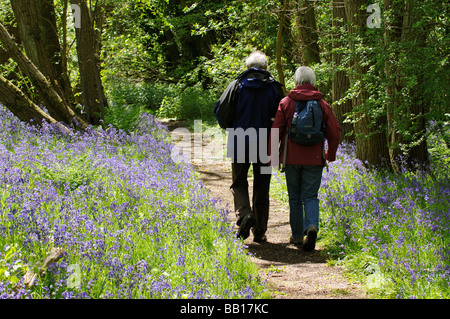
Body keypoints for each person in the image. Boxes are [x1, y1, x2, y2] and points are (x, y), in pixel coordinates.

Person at [214, 51, 284, 242]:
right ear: (266, 68)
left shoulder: (236, 85)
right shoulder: (274, 88)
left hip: (239, 137)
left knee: (239, 182)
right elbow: (282, 116)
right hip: (266, 139)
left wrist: (231, 127)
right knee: (262, 185)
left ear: (247, 67)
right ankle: (260, 231)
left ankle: (245, 214)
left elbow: (222, 111)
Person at [271, 66, 340, 251]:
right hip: (314, 158)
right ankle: (311, 226)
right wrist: (330, 154)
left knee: (294, 198)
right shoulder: (322, 104)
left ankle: (296, 236)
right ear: (313, 81)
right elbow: (334, 131)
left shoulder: (286, 102)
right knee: (310, 196)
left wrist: (273, 156)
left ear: (296, 81)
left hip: (291, 158)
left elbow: (275, 130)